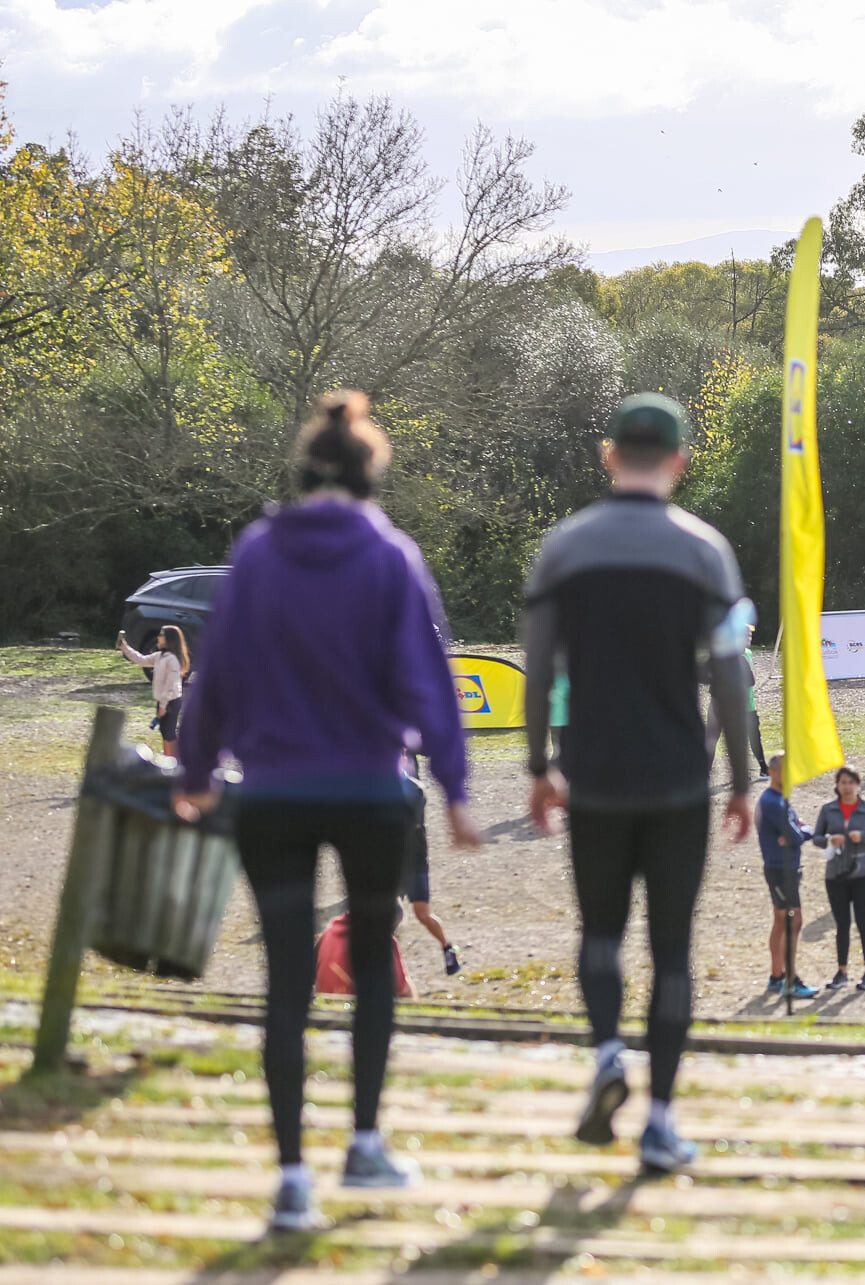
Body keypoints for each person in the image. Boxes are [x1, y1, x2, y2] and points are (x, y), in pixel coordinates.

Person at [173, 390, 482, 1230]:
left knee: (284, 980)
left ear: (305, 468)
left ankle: (289, 1177)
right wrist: (454, 789)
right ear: (371, 474)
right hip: (371, 793)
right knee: (374, 966)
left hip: (271, 793)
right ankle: (366, 1142)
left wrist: (194, 768)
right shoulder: (390, 555)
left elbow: (217, 674)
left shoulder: (260, 554)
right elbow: (432, 682)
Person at [522, 391, 752, 1179]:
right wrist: (743, 780)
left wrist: (535, 766)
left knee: (599, 932)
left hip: (593, 774)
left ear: (608, 454)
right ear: (682, 461)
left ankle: (609, 1054)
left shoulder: (564, 547)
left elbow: (539, 667)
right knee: (673, 950)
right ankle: (659, 1122)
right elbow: (729, 677)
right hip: (679, 779)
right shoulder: (705, 550)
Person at [813, 766, 865, 992]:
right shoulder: (828, 810)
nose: (847, 787)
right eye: (843, 782)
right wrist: (829, 841)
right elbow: (816, 837)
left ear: (858, 785)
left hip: (864, 873)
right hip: (836, 873)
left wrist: (863, 836)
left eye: (851, 782)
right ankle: (841, 971)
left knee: (864, 922)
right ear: (837, 786)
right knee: (842, 924)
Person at [755, 755, 816, 999]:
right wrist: (801, 830)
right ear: (771, 772)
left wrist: (799, 830)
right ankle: (789, 978)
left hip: (786, 868)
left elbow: (798, 831)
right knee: (793, 920)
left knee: (783, 921)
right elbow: (797, 835)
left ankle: (777, 976)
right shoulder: (772, 803)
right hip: (781, 869)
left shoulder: (782, 799)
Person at [398, 755, 462, 976]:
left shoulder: (414, 790)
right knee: (391, 912)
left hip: (414, 861)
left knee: (423, 915)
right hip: (389, 861)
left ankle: (447, 947)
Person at [119, 624, 190, 759]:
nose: (158, 637)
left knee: (169, 732)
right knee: (164, 731)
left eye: (161, 635)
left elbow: (171, 685)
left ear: (169, 639)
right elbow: (141, 659)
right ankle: (169, 758)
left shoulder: (173, 660)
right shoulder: (159, 656)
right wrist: (125, 648)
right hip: (163, 700)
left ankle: (173, 760)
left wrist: (163, 706)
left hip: (171, 701)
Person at [741, 627, 770, 780]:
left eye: (750, 635)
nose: (749, 638)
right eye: (746, 635)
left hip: (749, 705)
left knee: (754, 737)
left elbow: (751, 681)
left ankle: (763, 768)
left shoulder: (748, 653)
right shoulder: (732, 655)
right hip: (735, 706)